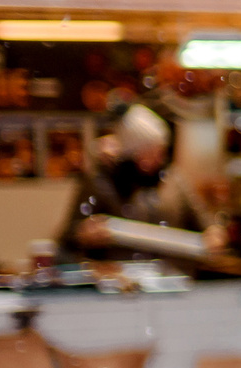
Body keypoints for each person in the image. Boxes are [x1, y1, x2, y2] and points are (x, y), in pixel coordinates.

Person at [65, 103, 226, 257]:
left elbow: (203, 220)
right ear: (131, 153)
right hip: (121, 272)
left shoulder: (173, 180)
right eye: (148, 152)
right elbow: (68, 236)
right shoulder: (103, 182)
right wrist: (83, 234)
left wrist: (214, 233)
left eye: (160, 151)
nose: (157, 159)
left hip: (173, 271)